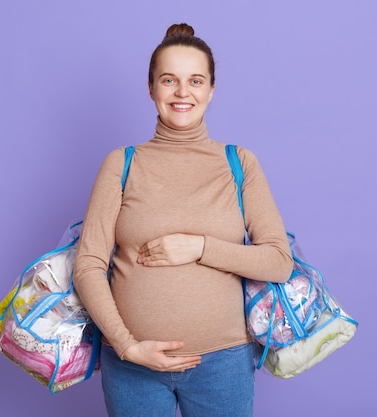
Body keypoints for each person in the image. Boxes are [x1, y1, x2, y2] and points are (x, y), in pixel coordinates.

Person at [74, 23, 293, 417]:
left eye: (195, 80)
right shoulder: (122, 163)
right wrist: (127, 346)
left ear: (211, 89)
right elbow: (88, 265)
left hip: (223, 365)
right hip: (132, 366)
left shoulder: (239, 163)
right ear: (151, 88)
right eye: (168, 80)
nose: (181, 92)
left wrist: (199, 247)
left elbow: (278, 261)